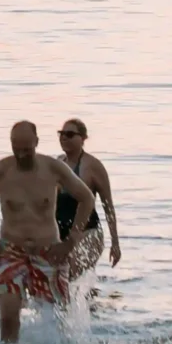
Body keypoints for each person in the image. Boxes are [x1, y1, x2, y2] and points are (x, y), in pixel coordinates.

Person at [0, 121, 98, 343]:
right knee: (8, 315)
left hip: (48, 251)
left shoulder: (54, 168)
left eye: (27, 149)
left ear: (36, 143)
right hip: (11, 250)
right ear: (11, 144)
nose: (22, 154)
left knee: (55, 317)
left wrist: (71, 241)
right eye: (17, 149)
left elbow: (87, 199)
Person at [56, 118, 121, 281]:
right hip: (62, 232)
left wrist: (115, 243)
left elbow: (108, 206)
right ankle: (90, 303)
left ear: (83, 139)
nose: (64, 138)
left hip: (88, 232)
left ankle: (88, 304)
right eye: (61, 134)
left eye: (69, 134)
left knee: (73, 273)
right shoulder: (57, 163)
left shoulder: (93, 166)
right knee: (59, 279)